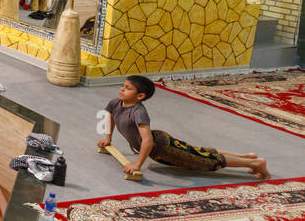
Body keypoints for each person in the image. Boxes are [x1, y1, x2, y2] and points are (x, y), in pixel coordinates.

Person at [99, 75, 269, 180]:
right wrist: (108, 138)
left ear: (140, 96)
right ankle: (247, 156)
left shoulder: (138, 112)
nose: (122, 89)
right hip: (160, 143)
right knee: (201, 151)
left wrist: (137, 165)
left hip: (161, 147)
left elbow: (148, 141)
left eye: (128, 88)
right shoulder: (116, 102)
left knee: (206, 160)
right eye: (123, 86)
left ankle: (255, 163)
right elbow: (111, 116)